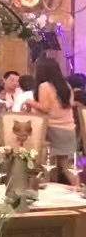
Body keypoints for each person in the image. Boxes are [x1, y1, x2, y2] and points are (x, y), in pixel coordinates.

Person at [29, 58, 78, 187]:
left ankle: (47, 190)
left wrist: (29, 103)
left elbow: (45, 108)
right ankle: (78, 189)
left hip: (54, 129)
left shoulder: (44, 86)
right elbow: (70, 104)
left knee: (48, 164)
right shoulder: (66, 85)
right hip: (69, 129)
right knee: (67, 165)